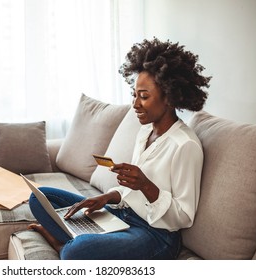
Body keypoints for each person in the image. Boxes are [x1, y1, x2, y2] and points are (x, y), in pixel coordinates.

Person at [28, 37, 211, 260]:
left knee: (77, 252)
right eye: (134, 94)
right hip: (122, 214)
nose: (135, 104)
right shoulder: (145, 132)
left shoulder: (185, 146)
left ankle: (63, 245)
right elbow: (131, 194)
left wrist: (145, 185)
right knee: (39, 197)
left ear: (170, 98)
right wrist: (107, 197)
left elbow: (183, 217)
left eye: (144, 96)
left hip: (155, 234)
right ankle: (80, 237)